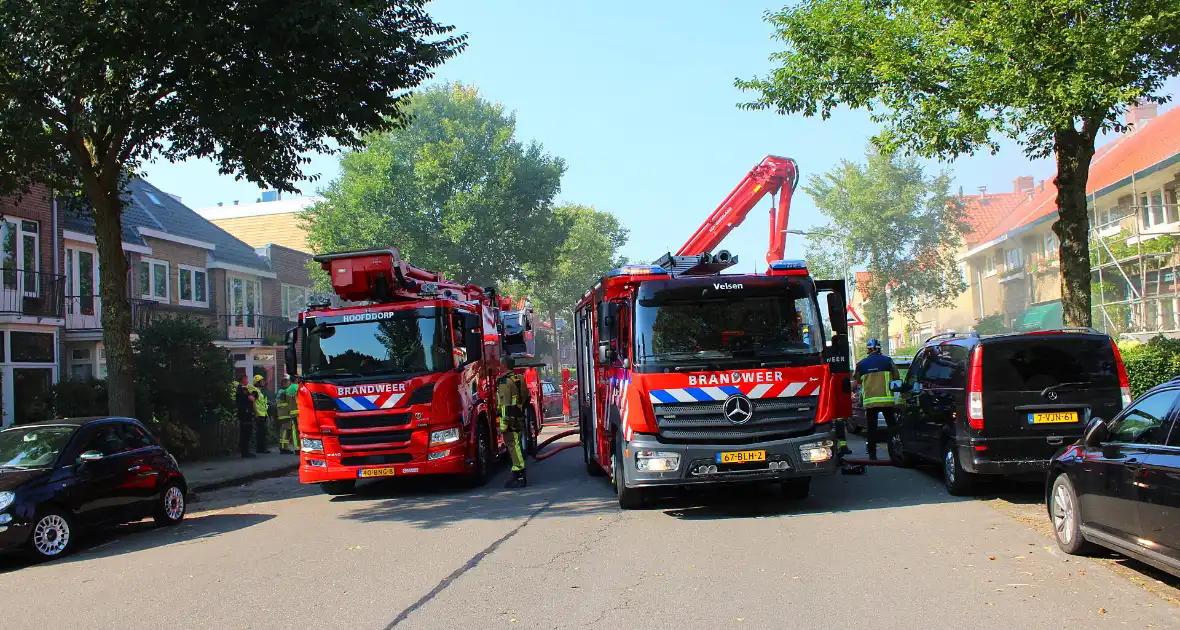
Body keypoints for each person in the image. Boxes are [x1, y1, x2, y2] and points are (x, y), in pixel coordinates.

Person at [853, 338, 900, 460]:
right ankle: (895, 452)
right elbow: (896, 376)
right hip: (886, 402)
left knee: (871, 429)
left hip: (870, 403)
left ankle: (872, 455)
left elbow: (857, 381)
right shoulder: (888, 361)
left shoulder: (861, 364)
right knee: (892, 427)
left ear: (868, 350)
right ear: (879, 349)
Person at [496, 369, 530, 488]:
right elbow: (526, 397)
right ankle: (519, 472)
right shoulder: (519, 378)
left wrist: (503, 426)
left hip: (509, 420)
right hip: (519, 417)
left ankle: (519, 472)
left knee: (513, 445)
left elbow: (505, 407)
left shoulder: (504, 382)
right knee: (517, 444)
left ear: (503, 366)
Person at [275, 375, 299, 455]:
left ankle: (284, 447)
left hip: (284, 414)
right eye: (288, 382)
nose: (289, 383)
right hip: (285, 414)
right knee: (286, 431)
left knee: (287, 431)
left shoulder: (281, 391)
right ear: (285, 383)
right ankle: (283, 448)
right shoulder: (284, 391)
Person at [236, 376, 257, 458]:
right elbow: (251, 398)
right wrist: (253, 395)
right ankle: (245, 452)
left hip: (244, 412)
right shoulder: (242, 389)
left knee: (245, 432)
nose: (248, 381)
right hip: (245, 413)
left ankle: (245, 451)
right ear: (243, 379)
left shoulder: (241, 389)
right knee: (246, 432)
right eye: (247, 379)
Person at [251, 374, 271, 454]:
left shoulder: (259, 391)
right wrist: (255, 413)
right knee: (261, 433)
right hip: (259, 415)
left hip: (262, 415)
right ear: (258, 382)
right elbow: (252, 402)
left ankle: (261, 449)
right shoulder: (255, 391)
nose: (264, 382)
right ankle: (261, 449)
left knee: (262, 432)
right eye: (262, 381)